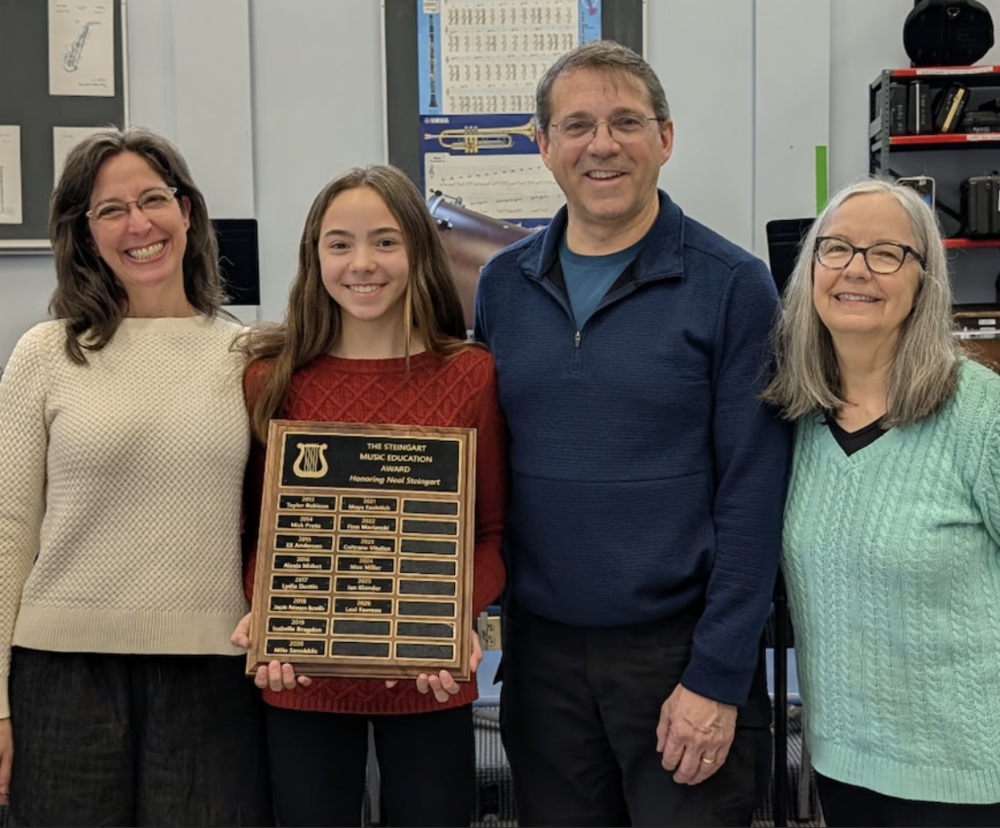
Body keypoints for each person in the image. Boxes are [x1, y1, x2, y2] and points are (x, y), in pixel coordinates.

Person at [473, 40, 791, 827]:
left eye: (626, 121)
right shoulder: (501, 285)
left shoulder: (732, 285)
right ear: (542, 145)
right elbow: (485, 466)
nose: (602, 144)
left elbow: (755, 492)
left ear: (666, 139)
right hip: (542, 657)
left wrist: (718, 676)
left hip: (679, 657)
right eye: (576, 125)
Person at [0, 127, 272, 825]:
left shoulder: (248, 356)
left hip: (213, 676)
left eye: (154, 199)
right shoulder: (45, 354)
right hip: (60, 676)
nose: (138, 223)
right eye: (110, 210)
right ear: (85, 234)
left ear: (186, 211)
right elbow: (7, 532)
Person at [230, 164, 507, 828]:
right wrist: (267, 616)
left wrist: (450, 621)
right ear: (313, 257)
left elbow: (492, 537)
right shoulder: (269, 379)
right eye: (339, 243)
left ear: (418, 250)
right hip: (299, 677)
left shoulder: (472, 375)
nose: (362, 263)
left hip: (429, 679)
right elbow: (250, 534)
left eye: (385, 241)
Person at [763, 177, 1000, 827]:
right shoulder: (793, 419)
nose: (856, 270)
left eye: (886, 253)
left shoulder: (979, 413)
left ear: (924, 279)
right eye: (835, 249)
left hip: (971, 772)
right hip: (844, 764)